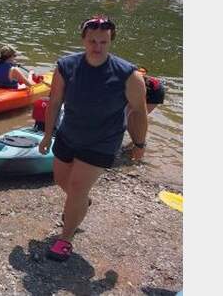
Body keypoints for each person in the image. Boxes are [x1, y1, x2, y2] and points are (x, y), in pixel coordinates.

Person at [38, 16, 147, 262]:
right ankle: (81, 203)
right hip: (69, 134)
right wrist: (47, 135)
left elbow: (138, 112)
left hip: (102, 141)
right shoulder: (67, 66)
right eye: (92, 41)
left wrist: (139, 144)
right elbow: (54, 103)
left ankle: (65, 239)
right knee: (61, 180)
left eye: (103, 42)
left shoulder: (128, 75)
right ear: (83, 40)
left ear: (111, 41)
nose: (97, 47)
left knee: (76, 188)